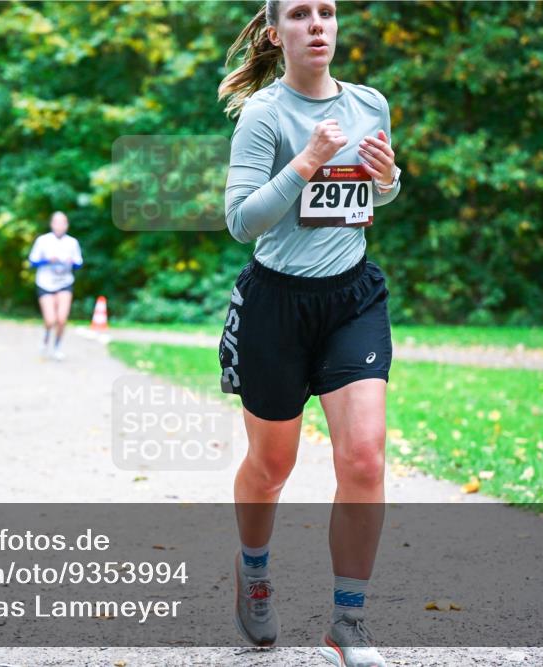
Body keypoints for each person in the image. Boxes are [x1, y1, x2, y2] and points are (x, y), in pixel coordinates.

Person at [217, 1, 401, 664]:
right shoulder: (264, 114)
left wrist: (388, 177)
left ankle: (347, 623)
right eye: (300, 14)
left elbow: (377, 195)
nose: (317, 23)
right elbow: (241, 221)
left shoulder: (370, 104)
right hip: (277, 304)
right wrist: (306, 161)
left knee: (364, 457)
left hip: (352, 297)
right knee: (272, 467)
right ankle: (254, 569)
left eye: (327, 11)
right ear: (277, 33)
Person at [28, 211, 82, 361]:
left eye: (63, 222)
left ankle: (57, 347)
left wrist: (72, 262)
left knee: (62, 319)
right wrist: (47, 260)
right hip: (45, 283)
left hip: (65, 283)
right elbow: (32, 262)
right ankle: (46, 337)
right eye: (57, 222)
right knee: (50, 320)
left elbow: (79, 263)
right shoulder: (43, 241)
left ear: (67, 225)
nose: (60, 226)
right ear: (52, 224)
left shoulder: (72, 242)